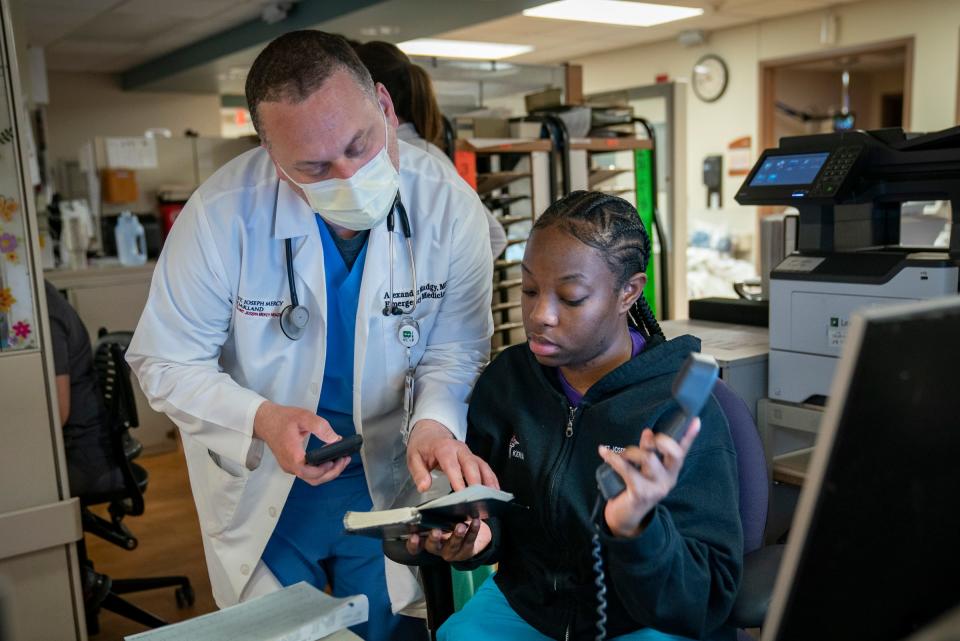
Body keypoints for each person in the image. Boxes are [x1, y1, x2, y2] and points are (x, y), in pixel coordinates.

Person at [126, 31, 497, 641]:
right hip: (269, 482)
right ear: (270, 154)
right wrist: (262, 417)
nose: (348, 177)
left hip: (389, 477)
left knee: (391, 625)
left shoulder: (448, 206)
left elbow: (456, 347)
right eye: (315, 167)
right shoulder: (221, 216)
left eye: (360, 145)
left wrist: (434, 421)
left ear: (384, 105)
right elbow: (164, 361)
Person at [408, 191, 743, 641]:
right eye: (529, 289)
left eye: (570, 297)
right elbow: (497, 511)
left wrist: (636, 529)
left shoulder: (678, 412)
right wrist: (477, 537)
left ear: (629, 292)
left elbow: (706, 599)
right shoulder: (509, 381)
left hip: (642, 618)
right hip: (529, 609)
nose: (539, 315)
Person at [354, 41, 507, 258]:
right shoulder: (360, 164)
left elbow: (492, 237)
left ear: (381, 100)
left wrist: (438, 286)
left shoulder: (427, 160)